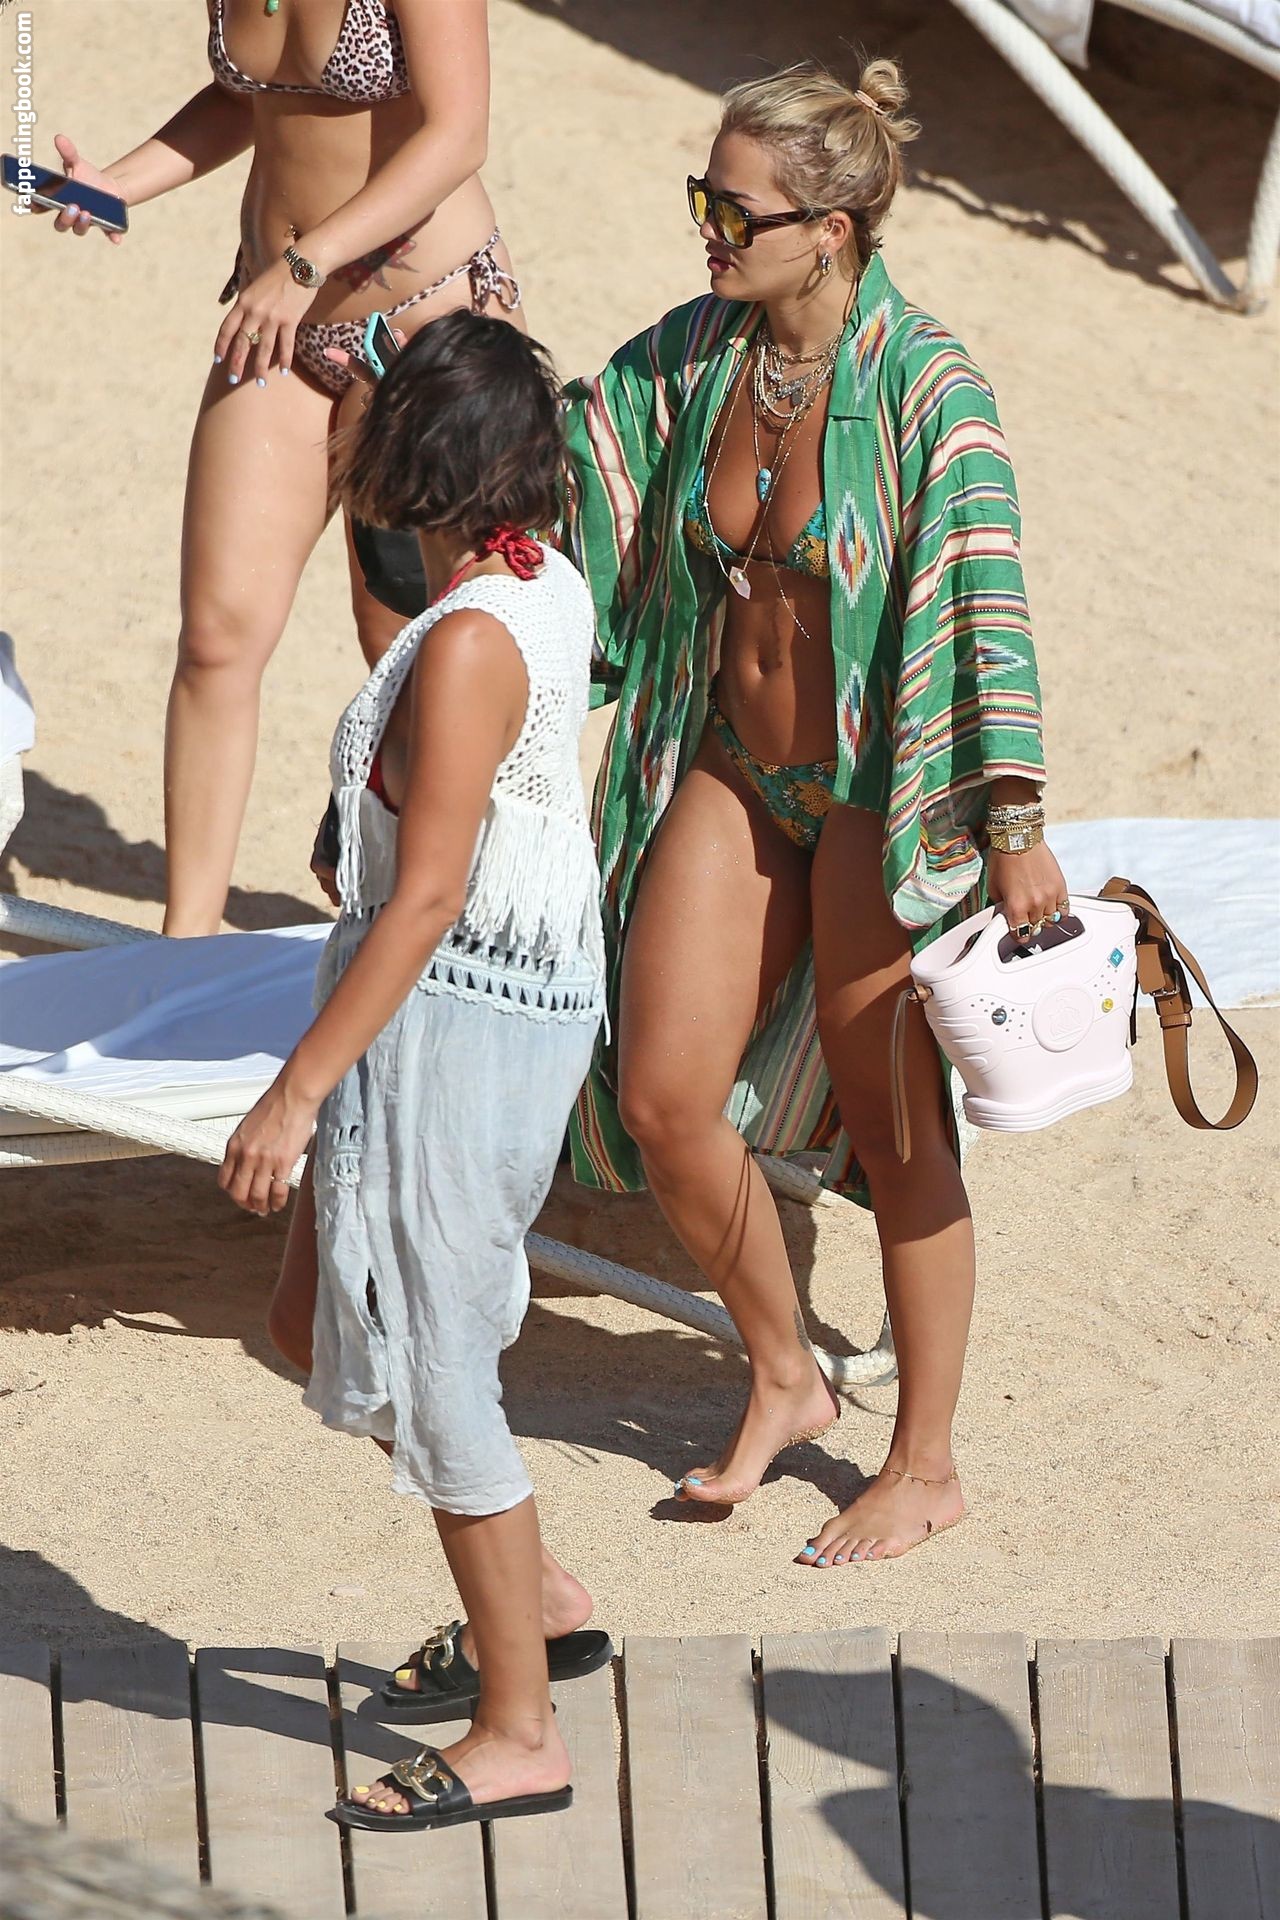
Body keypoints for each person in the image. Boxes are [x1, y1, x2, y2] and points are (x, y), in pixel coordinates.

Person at [561, 59, 1066, 1568]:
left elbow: (982, 601)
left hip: (873, 789)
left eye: (738, 212)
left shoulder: (926, 386)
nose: (708, 231)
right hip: (731, 763)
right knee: (662, 1098)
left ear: (832, 229)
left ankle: (925, 1464)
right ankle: (786, 1371)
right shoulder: (695, 355)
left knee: (898, 1129)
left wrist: (1012, 822)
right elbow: (575, 467)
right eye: (703, 200)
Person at [220, 311, 610, 1829]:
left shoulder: (465, 646)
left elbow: (431, 893)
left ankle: (521, 1731)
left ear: (417, 462)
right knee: (310, 1315)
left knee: (437, 1368)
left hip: (452, 1024)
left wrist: (296, 1089)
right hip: (475, 995)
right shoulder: (536, 576)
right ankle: (540, 1600)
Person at [38, 0, 520, 936]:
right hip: (279, 324)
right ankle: (183, 948)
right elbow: (248, 97)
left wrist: (307, 264)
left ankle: (446, 933)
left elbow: (458, 132)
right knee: (216, 639)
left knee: (411, 642)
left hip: (422, 323)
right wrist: (118, 183)